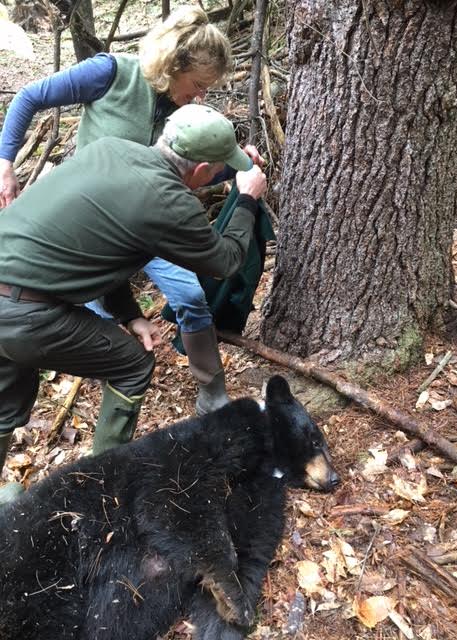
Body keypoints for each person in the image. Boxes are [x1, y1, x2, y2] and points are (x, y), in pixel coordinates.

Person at [0, 5, 262, 416]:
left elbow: (182, 175)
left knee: (190, 297)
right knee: (79, 323)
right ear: (172, 65)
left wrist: (231, 168)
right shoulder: (110, 73)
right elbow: (30, 97)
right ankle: (102, 389)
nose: (200, 97)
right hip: (88, 229)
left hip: (152, 225)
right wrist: (5, 163)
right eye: (197, 85)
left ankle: (211, 393)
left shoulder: (183, 115)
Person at [0, 103, 268, 504]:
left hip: (12, 292)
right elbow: (226, 260)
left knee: (5, 408)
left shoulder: (110, 150)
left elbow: (95, 248)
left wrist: (128, 315)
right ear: (198, 173)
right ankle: (102, 495)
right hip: (26, 315)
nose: (216, 178)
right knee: (132, 365)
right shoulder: (170, 203)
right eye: (215, 171)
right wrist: (246, 199)